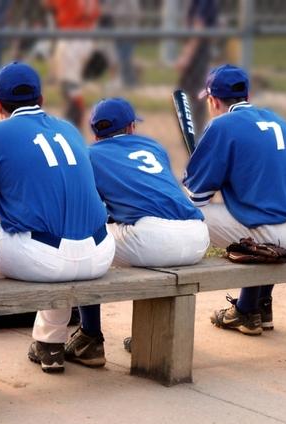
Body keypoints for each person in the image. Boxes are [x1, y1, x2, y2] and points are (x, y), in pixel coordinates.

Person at [0, 61, 115, 374]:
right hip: (100, 252)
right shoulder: (69, 129)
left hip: (43, 258)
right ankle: (50, 344)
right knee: (53, 229)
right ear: (41, 100)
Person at [183, 64, 286, 335]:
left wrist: (197, 172)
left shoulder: (221, 125)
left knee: (186, 223)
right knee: (260, 222)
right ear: (247, 96)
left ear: (213, 100)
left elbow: (196, 200)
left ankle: (247, 309)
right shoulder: (277, 120)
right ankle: (255, 305)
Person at [66, 97, 210, 365]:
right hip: (197, 235)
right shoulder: (154, 147)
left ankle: (90, 337)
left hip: (151, 240)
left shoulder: (89, 154)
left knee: (84, 243)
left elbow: (89, 212)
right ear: (131, 127)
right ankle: (149, 333)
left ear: (96, 134)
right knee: (127, 231)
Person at [43, 0, 100, 128]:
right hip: (87, 37)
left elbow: (47, 4)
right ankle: (72, 124)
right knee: (71, 86)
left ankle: (73, 127)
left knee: (70, 88)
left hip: (71, 38)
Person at [175, 0, 218, 138]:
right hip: (200, 50)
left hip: (198, 52)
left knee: (188, 95)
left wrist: (186, 56)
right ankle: (197, 133)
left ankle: (197, 135)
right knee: (192, 95)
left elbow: (199, 26)